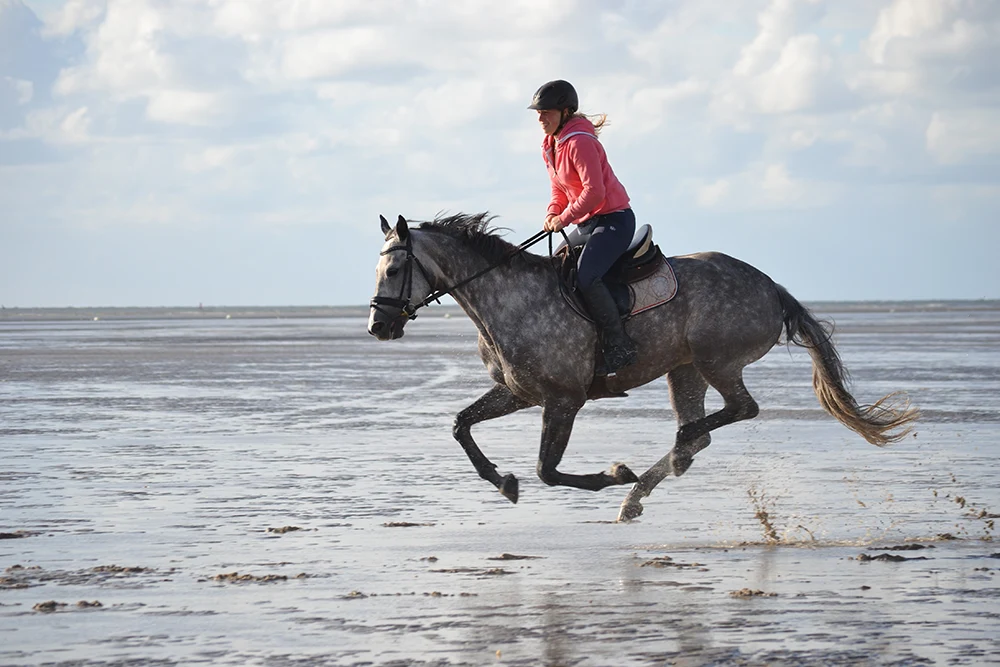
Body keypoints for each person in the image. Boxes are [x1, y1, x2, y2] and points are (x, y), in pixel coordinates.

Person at [529, 79, 638, 375]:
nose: (541, 119)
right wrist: (553, 211)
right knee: (555, 271)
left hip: (614, 220)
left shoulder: (580, 142)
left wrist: (563, 219)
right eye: (538, 113)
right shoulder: (550, 145)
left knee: (586, 276)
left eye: (546, 112)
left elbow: (595, 192)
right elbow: (559, 190)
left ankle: (618, 345)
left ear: (565, 112)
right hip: (588, 222)